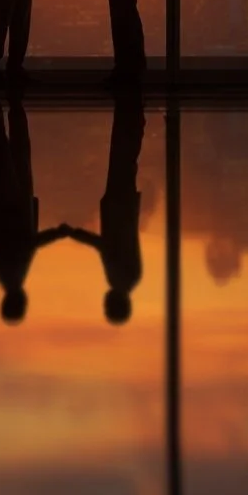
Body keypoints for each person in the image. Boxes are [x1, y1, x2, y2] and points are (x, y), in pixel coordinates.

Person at [0, 89, 68, 323]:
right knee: (10, 153)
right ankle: (5, 105)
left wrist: (58, 233)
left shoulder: (13, 275)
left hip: (13, 205)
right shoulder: (7, 276)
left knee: (9, 154)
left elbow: (29, 243)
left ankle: (2, 105)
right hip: (10, 205)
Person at [66, 89, 146, 324]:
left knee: (126, 162)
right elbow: (106, 246)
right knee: (122, 160)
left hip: (125, 210)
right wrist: (76, 234)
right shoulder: (119, 278)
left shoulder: (131, 279)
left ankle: (133, 118)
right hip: (118, 211)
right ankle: (131, 117)